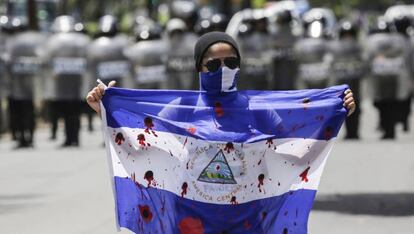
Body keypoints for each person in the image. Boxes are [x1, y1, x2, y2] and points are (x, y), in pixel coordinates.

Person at [86, 31, 355, 123]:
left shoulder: (256, 109)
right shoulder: (181, 109)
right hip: (192, 218)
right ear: (199, 68)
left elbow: (293, 145)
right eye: (214, 64)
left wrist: (336, 112)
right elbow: (144, 138)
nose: (224, 69)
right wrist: (106, 109)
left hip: (246, 219)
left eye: (232, 62)